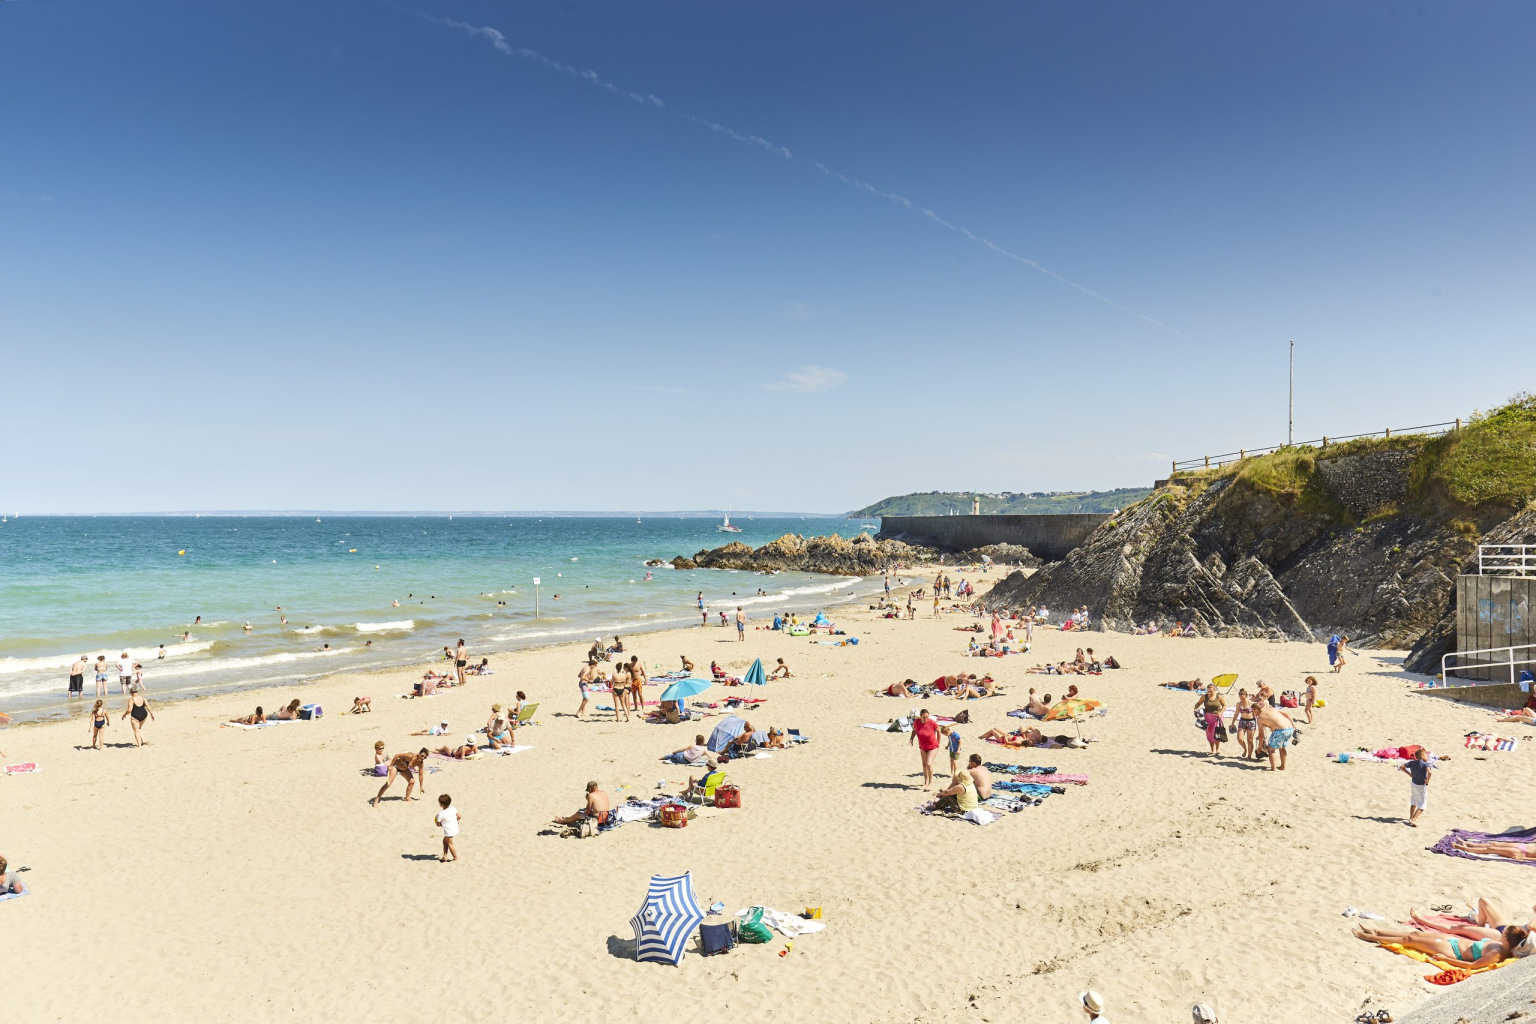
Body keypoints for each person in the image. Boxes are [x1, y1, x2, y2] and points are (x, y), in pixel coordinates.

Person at [1353, 920, 1528, 970]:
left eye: (1504, 932)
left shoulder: (1497, 954)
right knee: (1415, 934)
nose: (1502, 932)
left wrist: (1445, 959)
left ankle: (1370, 937)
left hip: (1453, 951)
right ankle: (1377, 931)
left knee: (1409, 940)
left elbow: (1473, 965)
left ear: (1506, 940)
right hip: (1453, 941)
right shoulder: (1500, 943)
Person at [1255, 702, 1296, 771]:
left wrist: (1259, 747)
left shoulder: (1260, 718)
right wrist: (1294, 726)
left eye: (1253, 711)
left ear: (1256, 710)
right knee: (1282, 748)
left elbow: (1261, 735)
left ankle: (1273, 768)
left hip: (1280, 731)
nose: (1253, 713)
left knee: (1271, 750)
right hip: (1289, 729)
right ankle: (1283, 766)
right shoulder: (1271, 709)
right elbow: (1286, 714)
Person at [1400, 747, 1433, 827]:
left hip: (1414, 784)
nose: (1427, 757)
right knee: (1422, 805)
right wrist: (1427, 780)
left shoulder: (1412, 763)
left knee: (1414, 801)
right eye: (1426, 755)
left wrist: (1409, 774)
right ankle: (1413, 819)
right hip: (1421, 786)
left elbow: (1402, 767)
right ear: (1422, 756)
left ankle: (1411, 817)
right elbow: (1430, 772)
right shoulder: (1426, 764)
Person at [910, 708, 941, 790]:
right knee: (924, 764)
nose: (926, 718)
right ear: (920, 716)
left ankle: (930, 783)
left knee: (929, 764)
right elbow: (914, 730)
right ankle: (925, 783)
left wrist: (938, 743)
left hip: (933, 746)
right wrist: (911, 739)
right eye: (924, 717)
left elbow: (938, 731)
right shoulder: (917, 722)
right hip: (922, 746)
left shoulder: (932, 723)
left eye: (927, 717)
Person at [1195, 682, 1225, 756]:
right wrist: (1195, 709)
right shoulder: (1204, 697)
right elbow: (1198, 703)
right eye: (1208, 691)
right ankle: (1212, 750)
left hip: (1217, 716)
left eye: (1211, 691)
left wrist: (1221, 712)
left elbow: (1224, 705)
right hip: (1208, 717)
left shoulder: (1219, 697)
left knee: (1217, 732)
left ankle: (1218, 749)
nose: (1209, 693)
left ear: (1215, 690)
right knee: (1209, 733)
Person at [1452, 839, 1536, 861]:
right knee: (1493, 844)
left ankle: (1463, 848)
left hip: (1522, 853)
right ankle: (1468, 843)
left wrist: (1522, 858)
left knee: (1491, 849)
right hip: (1524, 846)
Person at [1232, 689, 1258, 759]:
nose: (1242, 699)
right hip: (1242, 721)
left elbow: (1257, 714)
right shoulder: (1239, 703)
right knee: (1239, 739)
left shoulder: (1252, 704)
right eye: (1240, 698)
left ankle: (1249, 756)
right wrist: (1232, 723)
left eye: (1243, 698)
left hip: (1251, 721)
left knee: (1250, 740)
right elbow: (1236, 713)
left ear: (1246, 696)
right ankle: (1245, 749)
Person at [435, 793, 460, 862]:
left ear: (441, 804)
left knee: (450, 844)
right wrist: (456, 821)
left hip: (448, 831)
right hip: (454, 828)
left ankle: (455, 858)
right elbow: (459, 816)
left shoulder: (441, 814)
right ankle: (445, 856)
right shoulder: (453, 808)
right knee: (444, 841)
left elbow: (438, 824)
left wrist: (441, 823)